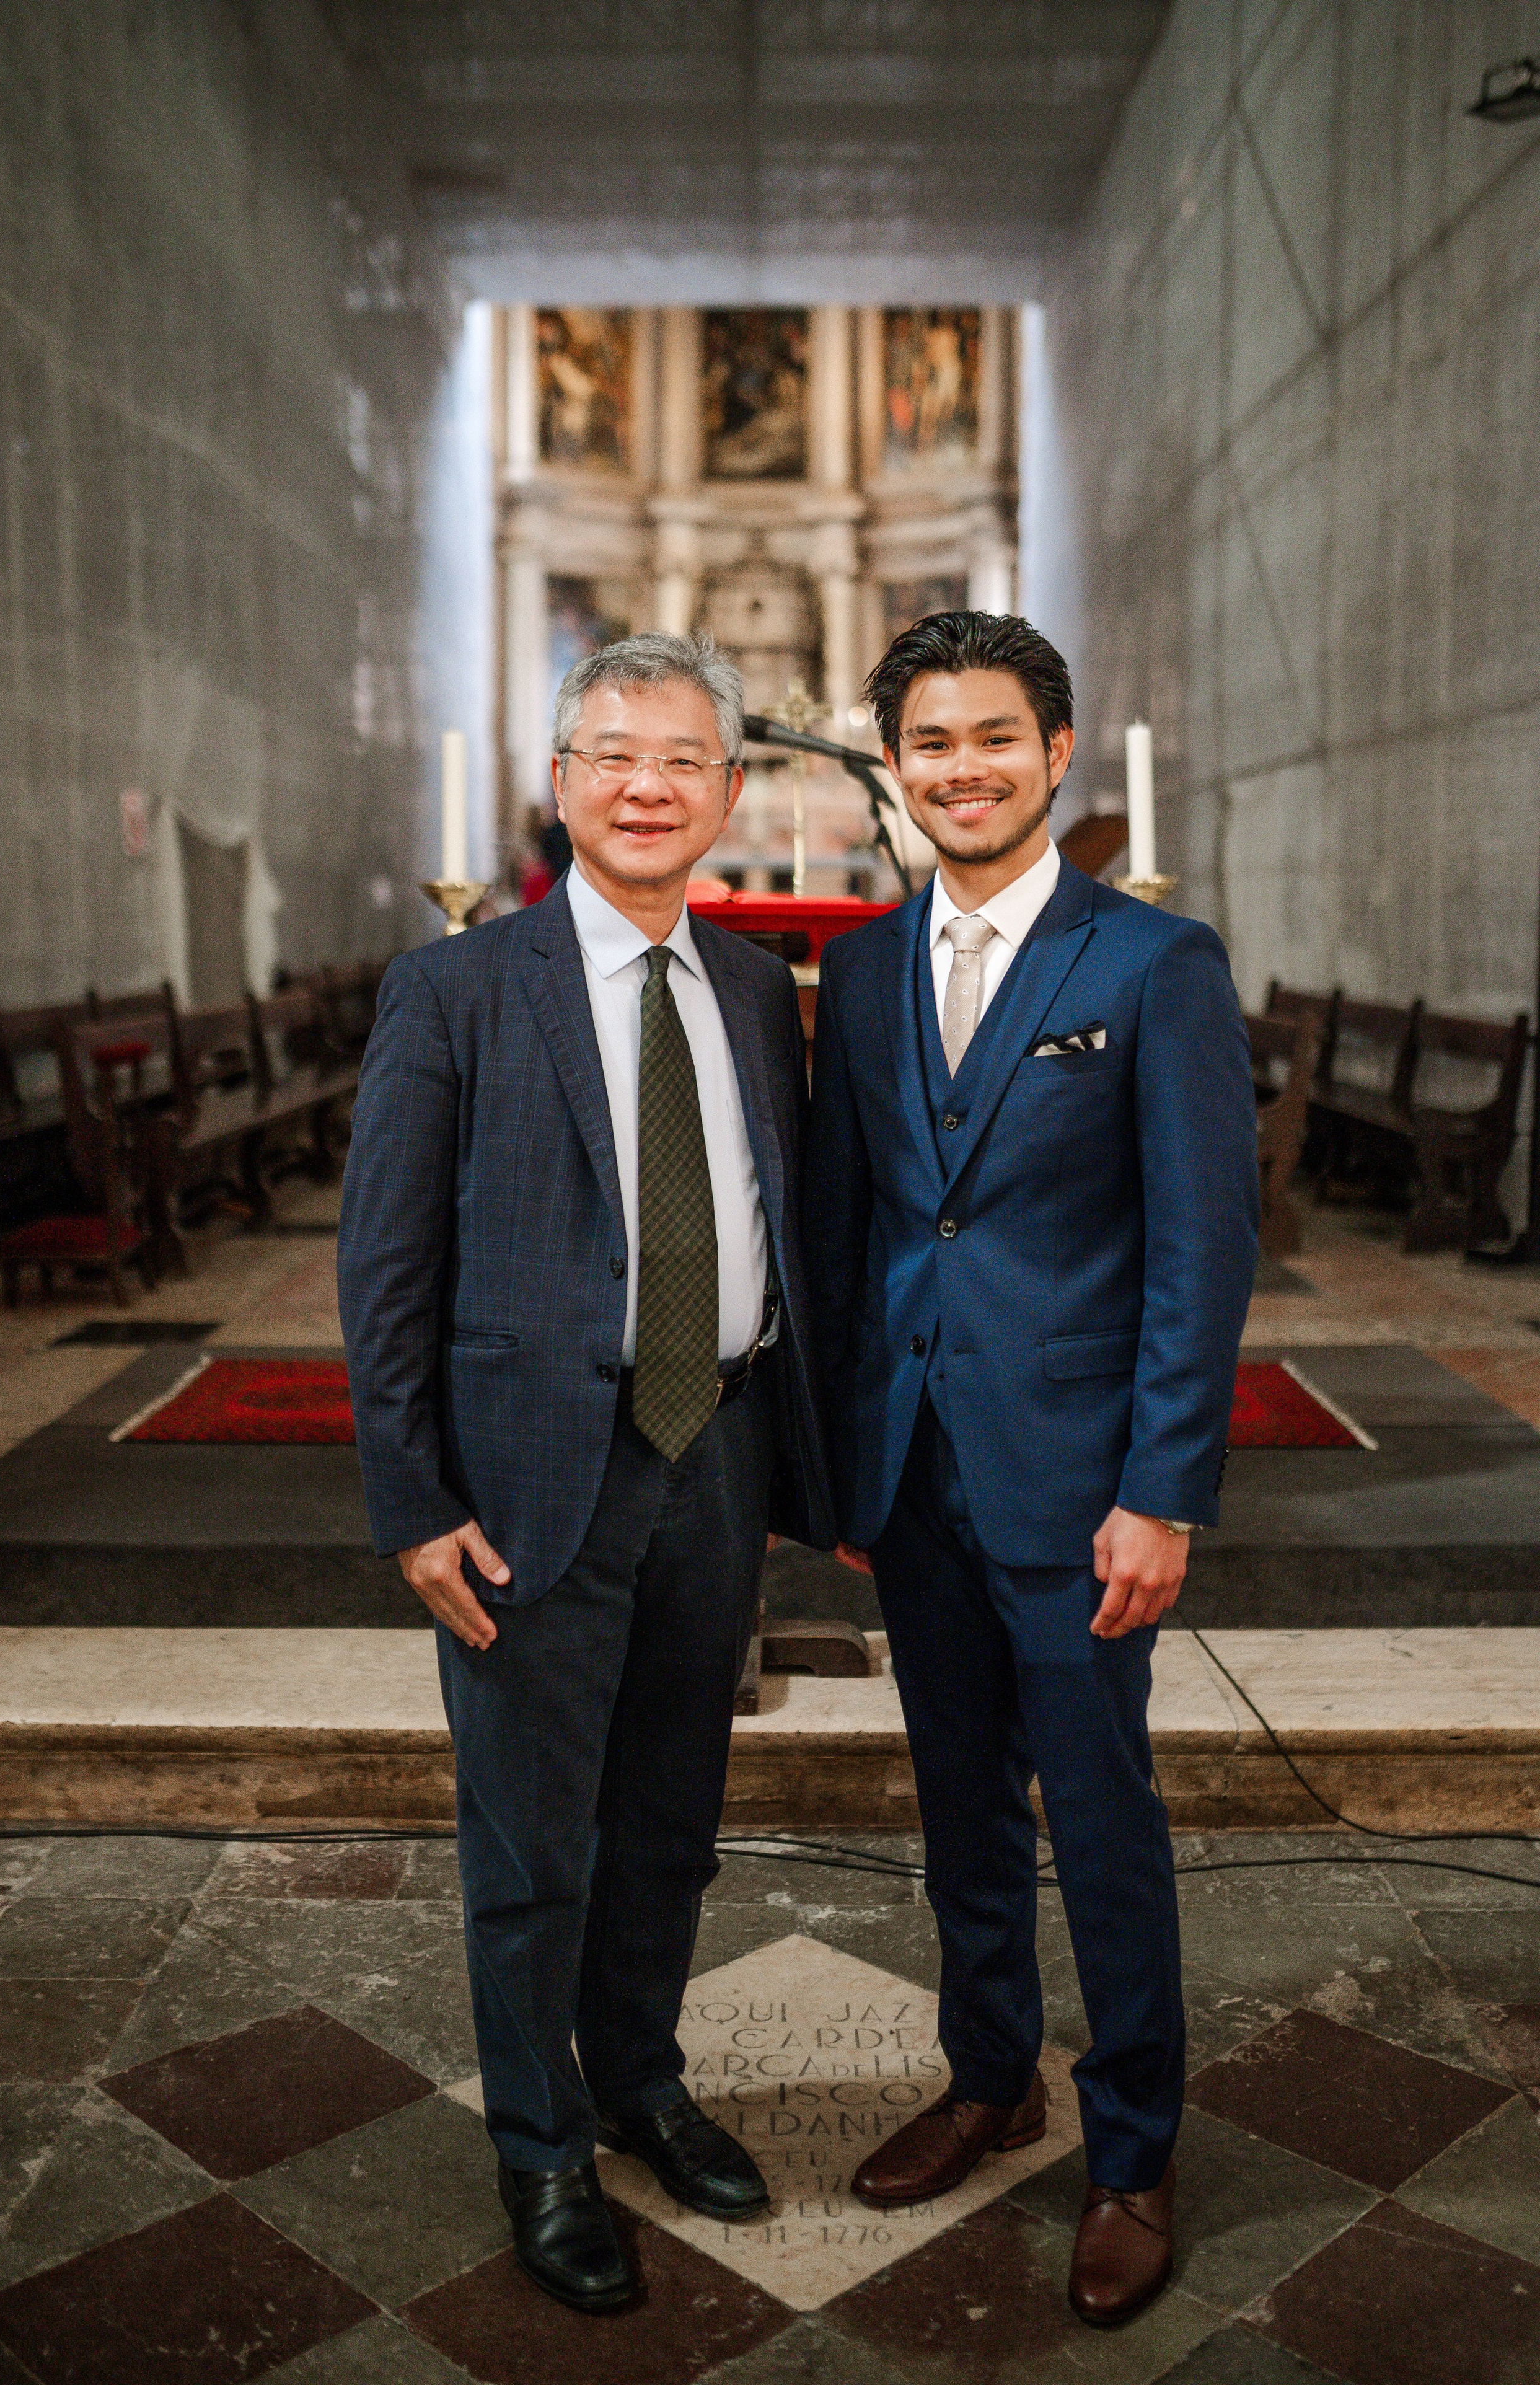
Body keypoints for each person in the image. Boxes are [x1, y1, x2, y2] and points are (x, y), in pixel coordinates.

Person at [338, 631, 832, 2314]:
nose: (646, 783)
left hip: (719, 1456)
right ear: (561, 786)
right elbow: (385, 1269)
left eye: (682, 757)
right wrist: (411, 1499)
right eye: (612, 753)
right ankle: (543, 2145)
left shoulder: (760, 989)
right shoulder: (456, 991)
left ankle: (639, 2079)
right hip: (536, 1476)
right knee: (533, 1841)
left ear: (729, 791)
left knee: (672, 1824)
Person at [803, 612, 1258, 2327]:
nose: (962, 769)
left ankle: (1133, 2149)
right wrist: (850, 1475)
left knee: (1107, 1819)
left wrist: (1165, 1490)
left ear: (1057, 752)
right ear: (895, 766)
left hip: (1084, 1490)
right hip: (917, 1475)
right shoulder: (854, 972)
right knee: (957, 1805)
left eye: (994, 736)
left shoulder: (1154, 966)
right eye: (930, 743)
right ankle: (988, 2076)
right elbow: (854, 1234)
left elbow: (1199, 1256)